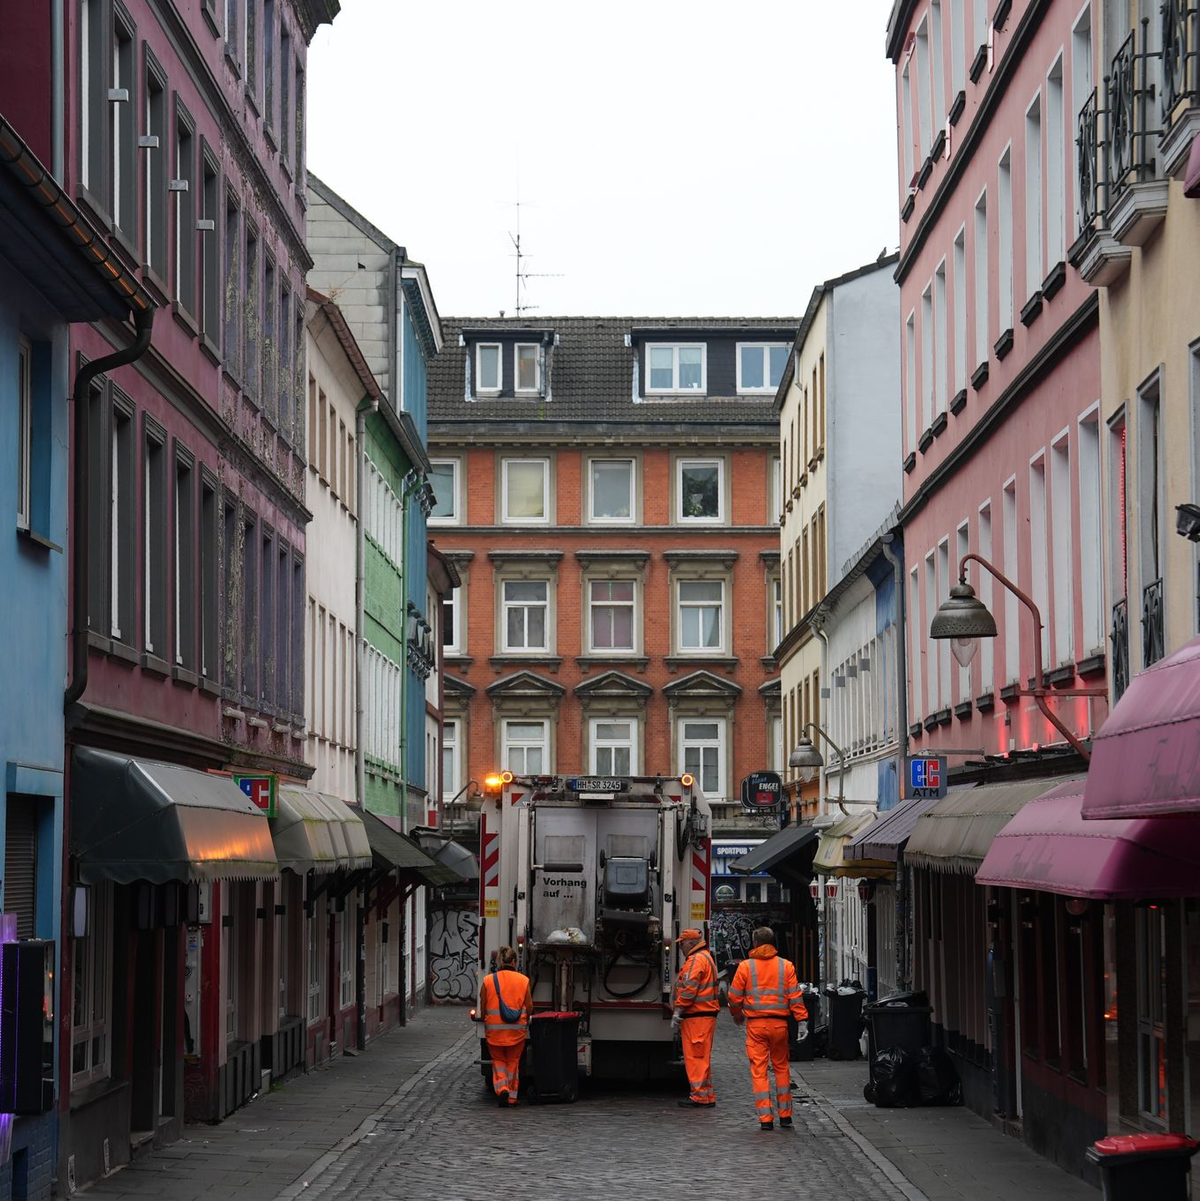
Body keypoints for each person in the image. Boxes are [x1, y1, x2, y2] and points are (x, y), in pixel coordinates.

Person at [726, 926, 808, 1130]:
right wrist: (802, 1021)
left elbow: (734, 997)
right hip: (779, 1025)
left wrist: (737, 1015)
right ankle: (786, 1115)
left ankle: (766, 1119)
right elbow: (795, 997)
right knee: (781, 1068)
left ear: (755, 943)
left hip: (756, 1026)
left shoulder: (746, 967)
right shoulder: (786, 966)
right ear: (773, 943)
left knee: (759, 1071)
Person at [478, 945, 533, 1107]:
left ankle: (502, 1088)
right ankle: (512, 1096)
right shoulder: (523, 981)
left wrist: (486, 1020)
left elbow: (483, 1006)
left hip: (494, 1032)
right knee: (513, 1062)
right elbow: (529, 1006)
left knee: (498, 1060)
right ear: (515, 962)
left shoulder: (488, 981)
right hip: (516, 1031)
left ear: (499, 961)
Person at [671, 928, 719, 1108]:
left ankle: (699, 1096)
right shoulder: (705, 957)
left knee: (696, 1058)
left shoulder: (696, 960)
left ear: (691, 943)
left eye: (682, 943)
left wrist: (678, 1010)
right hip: (703, 1016)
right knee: (701, 1057)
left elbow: (689, 988)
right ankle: (706, 1095)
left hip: (697, 1017)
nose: (681, 947)